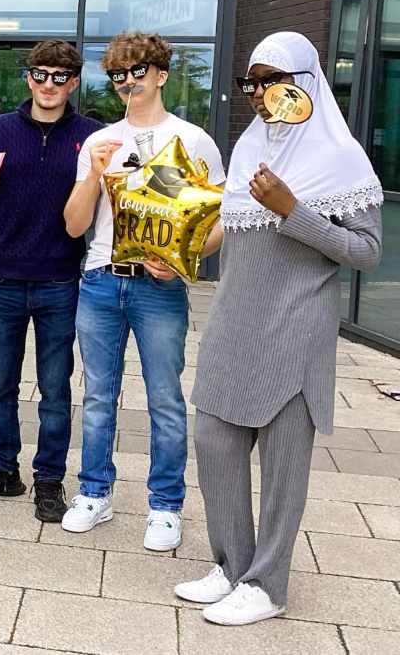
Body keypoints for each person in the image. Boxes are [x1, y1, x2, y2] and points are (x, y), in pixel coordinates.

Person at [175, 32, 382, 625]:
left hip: (297, 325)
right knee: (215, 440)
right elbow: (235, 238)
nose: (262, 94)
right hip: (235, 321)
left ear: (307, 82)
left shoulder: (339, 158)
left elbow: (366, 252)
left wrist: (294, 210)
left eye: (274, 80)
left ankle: (268, 585)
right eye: (253, 83)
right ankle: (232, 564)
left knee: (284, 464)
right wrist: (183, 257)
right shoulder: (247, 148)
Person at [61, 31, 225, 550]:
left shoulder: (193, 140)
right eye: (118, 76)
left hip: (159, 288)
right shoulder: (98, 141)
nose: (128, 83)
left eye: (138, 72)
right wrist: (93, 173)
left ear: (161, 75)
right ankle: (94, 492)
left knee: (165, 399)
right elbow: (72, 225)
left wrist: (183, 261)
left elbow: (219, 217)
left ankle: (165, 505)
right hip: (101, 280)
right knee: (98, 397)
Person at [0, 41, 103, 521]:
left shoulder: (92, 137)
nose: (48, 85)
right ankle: (2, 469)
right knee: (1, 385)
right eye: (40, 74)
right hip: (4, 279)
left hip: (60, 280)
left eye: (60, 77)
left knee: (55, 390)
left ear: (74, 83)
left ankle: (49, 480)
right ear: (29, 78)